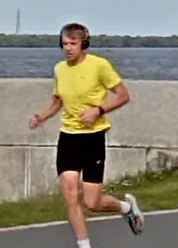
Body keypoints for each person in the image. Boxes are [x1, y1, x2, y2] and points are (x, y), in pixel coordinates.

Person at [29, 22, 144, 247]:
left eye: (73, 43)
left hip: (93, 138)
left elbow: (123, 95)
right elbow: (58, 100)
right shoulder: (59, 69)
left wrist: (98, 110)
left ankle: (126, 208)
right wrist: (41, 116)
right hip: (68, 137)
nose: (68, 48)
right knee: (70, 195)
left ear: (84, 44)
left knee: (92, 202)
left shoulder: (99, 65)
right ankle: (84, 245)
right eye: (64, 44)